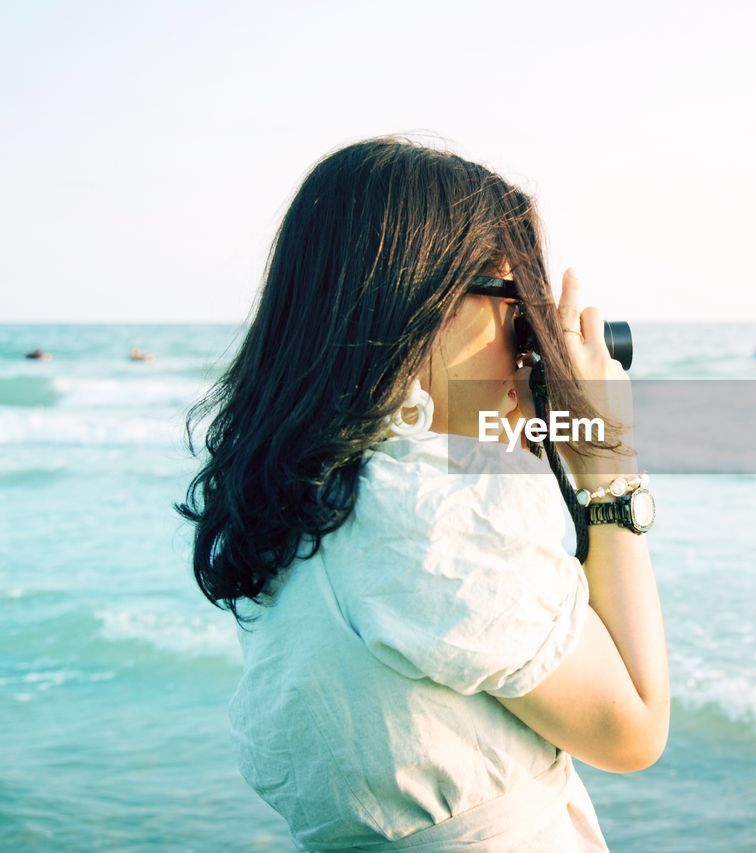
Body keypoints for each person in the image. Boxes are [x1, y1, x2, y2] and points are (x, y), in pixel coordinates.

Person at [175, 136, 670, 851]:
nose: (528, 342)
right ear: (422, 303)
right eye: (514, 299)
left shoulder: (301, 498)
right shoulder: (430, 514)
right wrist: (607, 462)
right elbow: (635, 728)